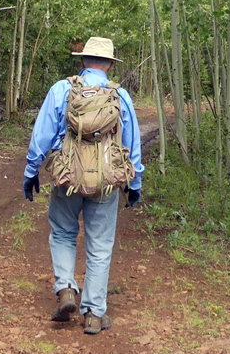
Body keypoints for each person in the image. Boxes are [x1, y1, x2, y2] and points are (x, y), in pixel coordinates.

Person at [23, 36, 143, 334]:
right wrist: (134, 182)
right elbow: (132, 145)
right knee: (100, 245)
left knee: (63, 233)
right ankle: (93, 313)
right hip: (106, 183)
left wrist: (31, 172)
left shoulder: (62, 90)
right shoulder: (120, 95)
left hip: (67, 178)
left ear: (82, 61)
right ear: (111, 65)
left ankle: (65, 289)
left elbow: (41, 136)